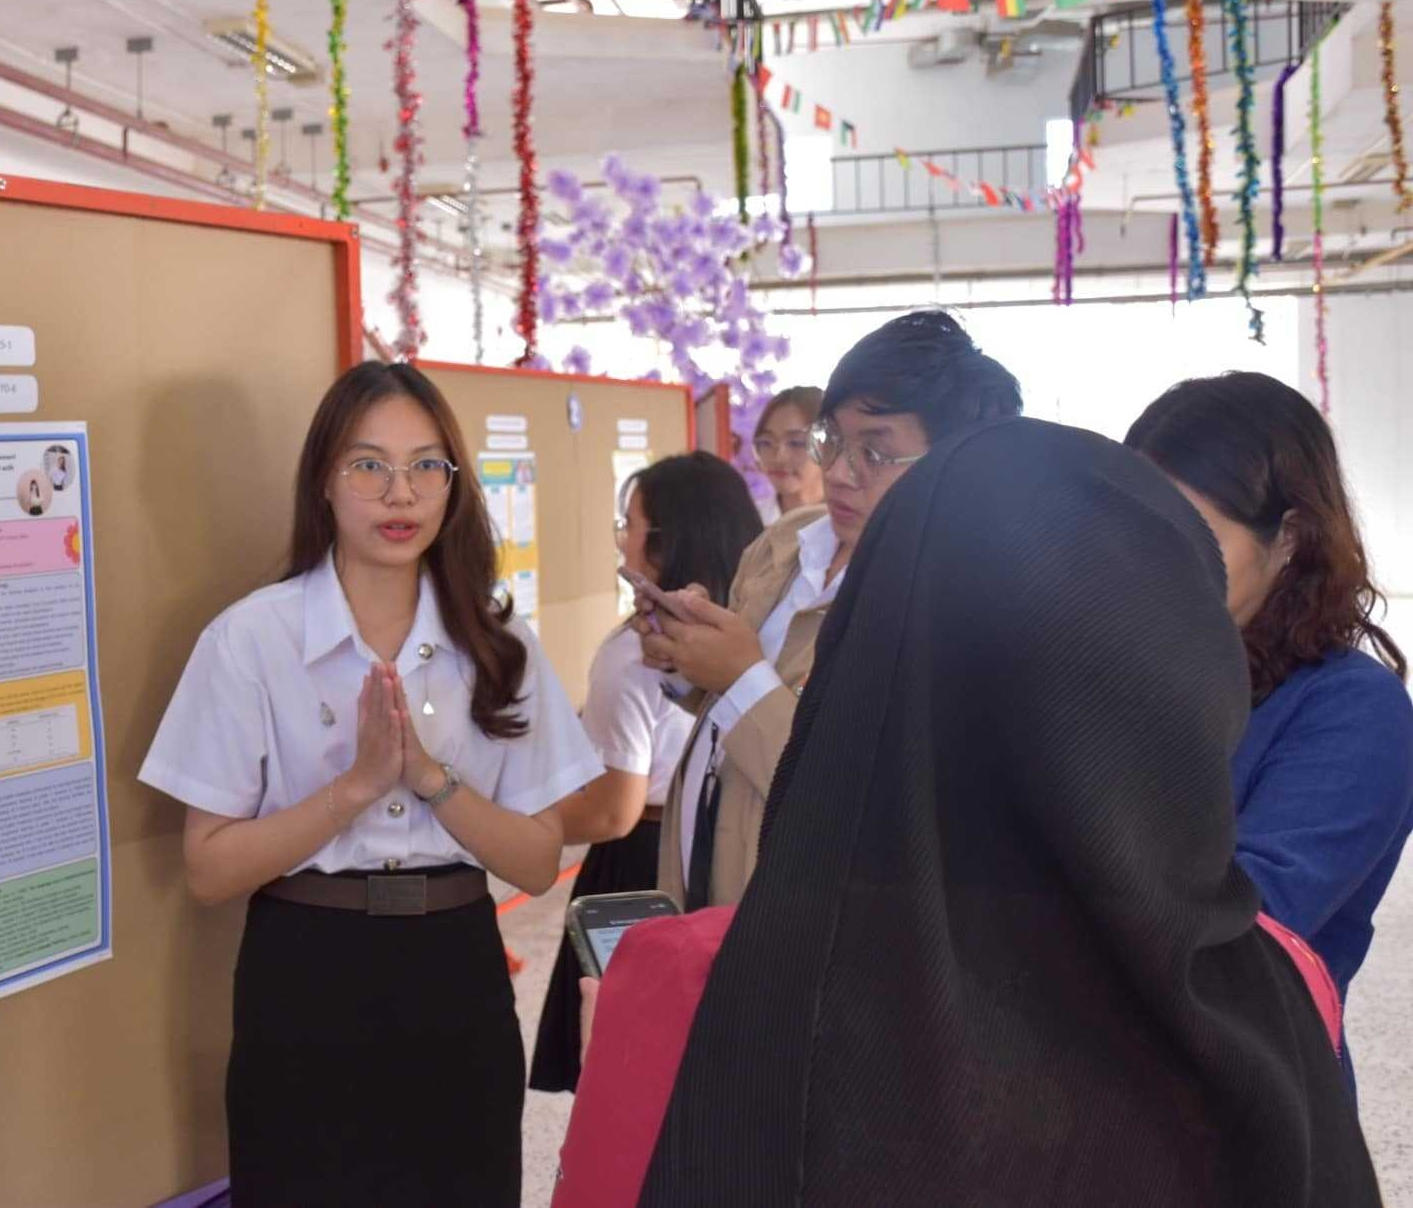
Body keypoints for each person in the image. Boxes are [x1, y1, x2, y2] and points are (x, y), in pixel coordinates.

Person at [557, 418, 1378, 1207]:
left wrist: (629, 1065)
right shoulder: (1273, 994)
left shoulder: (688, 985)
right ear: (1179, 682)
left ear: (858, 663)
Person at [136, 361, 602, 1207]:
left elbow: (538, 863)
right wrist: (352, 789)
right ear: (323, 479)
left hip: (454, 969)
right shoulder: (251, 638)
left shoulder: (498, 644)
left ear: (453, 483)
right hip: (303, 971)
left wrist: (428, 777)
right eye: (369, 465)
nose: (401, 492)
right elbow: (207, 868)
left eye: (426, 465)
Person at [645, 310, 1021, 910]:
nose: (839, 473)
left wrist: (740, 677)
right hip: (706, 881)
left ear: (953, 465)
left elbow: (862, 800)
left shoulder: (955, 609)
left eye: (875, 452)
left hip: (801, 919)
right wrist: (686, 655)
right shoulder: (787, 544)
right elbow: (731, 709)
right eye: (831, 440)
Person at [1126, 372, 1413, 1089]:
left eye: (1194, 534)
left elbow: (1237, 932)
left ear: (1288, 538)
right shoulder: (1120, 672)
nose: (1152, 562)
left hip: (1246, 1099)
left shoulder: (1353, 709)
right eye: (1136, 527)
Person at [526, 453, 763, 1094]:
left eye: (628, 525)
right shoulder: (752, 634)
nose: (621, 542)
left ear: (665, 541)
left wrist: (517, 816)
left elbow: (614, 809)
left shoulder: (637, 651)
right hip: (728, 851)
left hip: (640, 865)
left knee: (632, 1071)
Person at [751, 385, 825, 517]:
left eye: (796, 443)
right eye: (767, 443)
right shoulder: (747, 520)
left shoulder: (855, 524)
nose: (779, 458)